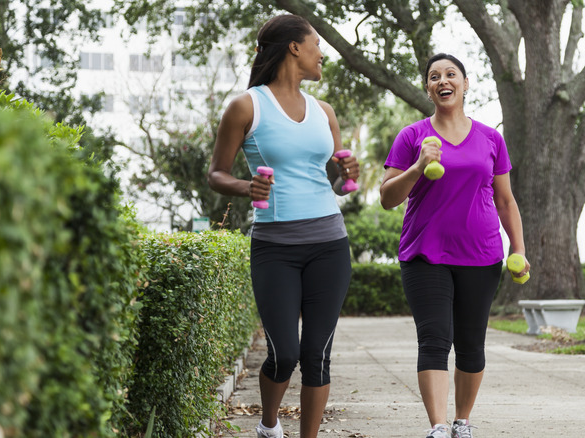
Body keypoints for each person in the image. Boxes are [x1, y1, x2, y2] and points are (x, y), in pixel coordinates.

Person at [207, 14, 359, 438]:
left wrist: (349, 174)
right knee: (284, 353)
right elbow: (216, 173)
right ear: (295, 47)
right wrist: (246, 186)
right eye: (316, 44)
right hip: (275, 246)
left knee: (317, 354)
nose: (321, 53)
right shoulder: (246, 106)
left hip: (330, 242)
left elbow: (338, 185)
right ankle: (269, 426)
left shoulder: (324, 111)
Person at [379, 53, 529, 438]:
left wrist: (519, 249)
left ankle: (462, 421)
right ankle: (438, 426)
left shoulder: (491, 138)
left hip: (481, 254)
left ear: (465, 83)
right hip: (425, 252)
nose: (442, 81)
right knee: (433, 338)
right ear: (428, 88)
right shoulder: (412, 137)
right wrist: (417, 166)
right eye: (434, 76)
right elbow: (387, 198)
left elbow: (506, 201)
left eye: (450, 74)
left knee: (471, 343)